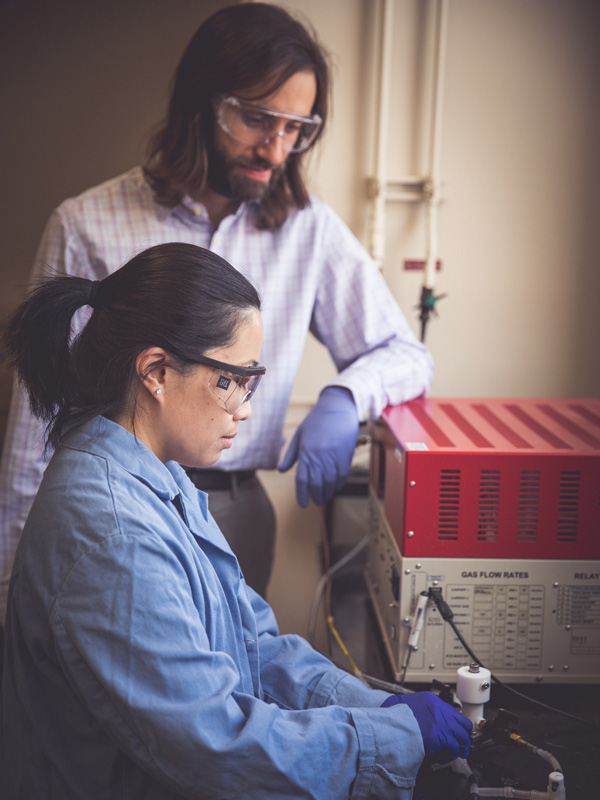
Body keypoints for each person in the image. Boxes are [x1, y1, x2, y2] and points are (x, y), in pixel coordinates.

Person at [0, 2, 433, 612]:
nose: (277, 149)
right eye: (258, 119)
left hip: (234, 508)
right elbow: (33, 431)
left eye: (297, 129)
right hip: (110, 500)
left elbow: (405, 354)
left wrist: (345, 398)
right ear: (201, 102)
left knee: (231, 683)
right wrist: (12, 593)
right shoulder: (87, 222)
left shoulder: (308, 230)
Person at [0, 242, 470, 798]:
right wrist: (387, 739)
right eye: (233, 380)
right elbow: (213, 747)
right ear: (156, 371)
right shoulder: (111, 533)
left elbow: (257, 647)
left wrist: (378, 707)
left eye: (253, 381)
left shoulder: (158, 477)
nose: (246, 407)